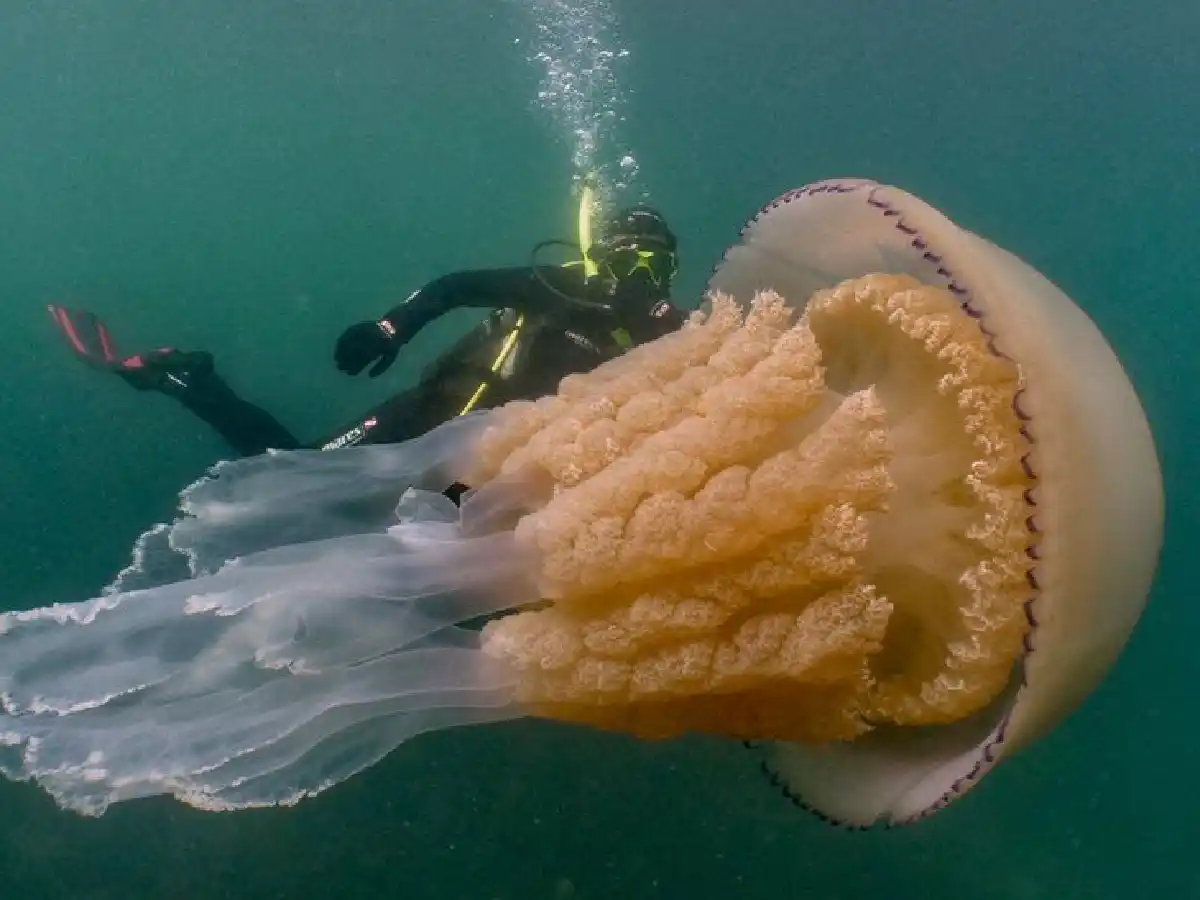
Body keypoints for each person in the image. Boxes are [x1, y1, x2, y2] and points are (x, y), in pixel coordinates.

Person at [48, 202, 686, 458]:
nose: (638, 274)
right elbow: (456, 286)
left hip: (497, 470)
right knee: (294, 475)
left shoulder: (674, 337)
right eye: (626, 257)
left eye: (654, 264)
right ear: (600, 256)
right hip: (433, 413)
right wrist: (392, 327)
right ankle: (189, 377)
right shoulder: (562, 286)